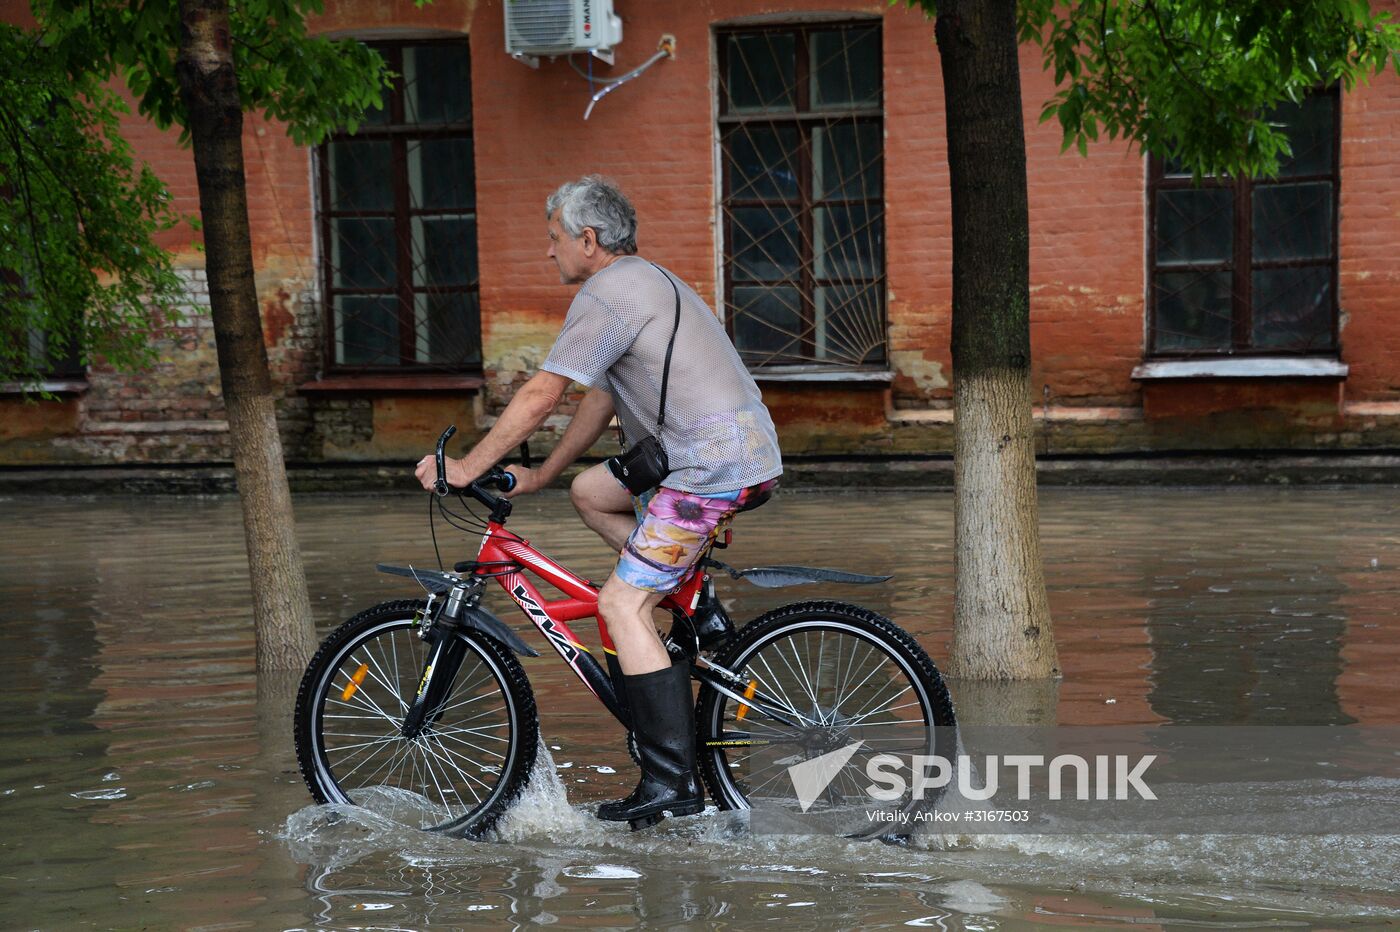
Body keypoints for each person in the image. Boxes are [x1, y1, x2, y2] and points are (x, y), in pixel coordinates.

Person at [414, 175, 782, 827]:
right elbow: (602, 397)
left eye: (554, 238)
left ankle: (672, 787)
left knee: (619, 604)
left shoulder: (606, 293)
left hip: (708, 466)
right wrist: (545, 474)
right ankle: (694, 601)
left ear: (588, 239)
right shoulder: (646, 281)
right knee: (592, 491)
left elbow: (541, 394)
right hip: (741, 450)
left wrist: (469, 465)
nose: (548, 251)